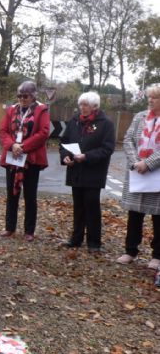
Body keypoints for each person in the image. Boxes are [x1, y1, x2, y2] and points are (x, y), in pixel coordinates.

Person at [60, 91, 115, 252]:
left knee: (91, 207)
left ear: (95, 106)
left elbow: (107, 148)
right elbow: (64, 142)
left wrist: (87, 156)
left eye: (86, 105)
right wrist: (65, 156)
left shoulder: (106, 124)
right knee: (78, 206)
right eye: (81, 104)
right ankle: (76, 239)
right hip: (76, 170)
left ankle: (94, 242)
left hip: (93, 172)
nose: (82, 108)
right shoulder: (75, 121)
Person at [0, 81, 50, 242]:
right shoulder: (11, 110)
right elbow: (2, 131)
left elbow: (43, 132)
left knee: (30, 195)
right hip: (13, 157)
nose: (21, 99)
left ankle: (29, 230)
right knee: (11, 193)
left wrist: (23, 147)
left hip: (31, 159)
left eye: (25, 96)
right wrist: (12, 145)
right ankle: (10, 227)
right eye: (19, 96)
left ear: (33, 96)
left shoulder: (41, 110)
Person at [117, 83, 160, 269]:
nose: (150, 100)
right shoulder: (139, 117)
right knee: (134, 214)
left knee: (158, 216)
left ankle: (157, 255)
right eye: (149, 97)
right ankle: (130, 250)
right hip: (137, 172)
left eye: (155, 97)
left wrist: (148, 163)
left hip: (157, 173)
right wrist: (136, 162)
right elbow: (127, 140)